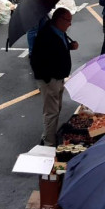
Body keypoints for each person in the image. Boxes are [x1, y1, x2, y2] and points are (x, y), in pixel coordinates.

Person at [29, 8, 78, 146]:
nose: (70, 24)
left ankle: (48, 135)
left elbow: (58, 50)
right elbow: (36, 60)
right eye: (68, 21)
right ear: (59, 20)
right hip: (50, 79)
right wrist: (48, 79)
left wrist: (70, 46)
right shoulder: (46, 36)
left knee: (56, 109)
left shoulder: (58, 32)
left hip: (59, 77)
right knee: (51, 112)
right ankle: (49, 143)